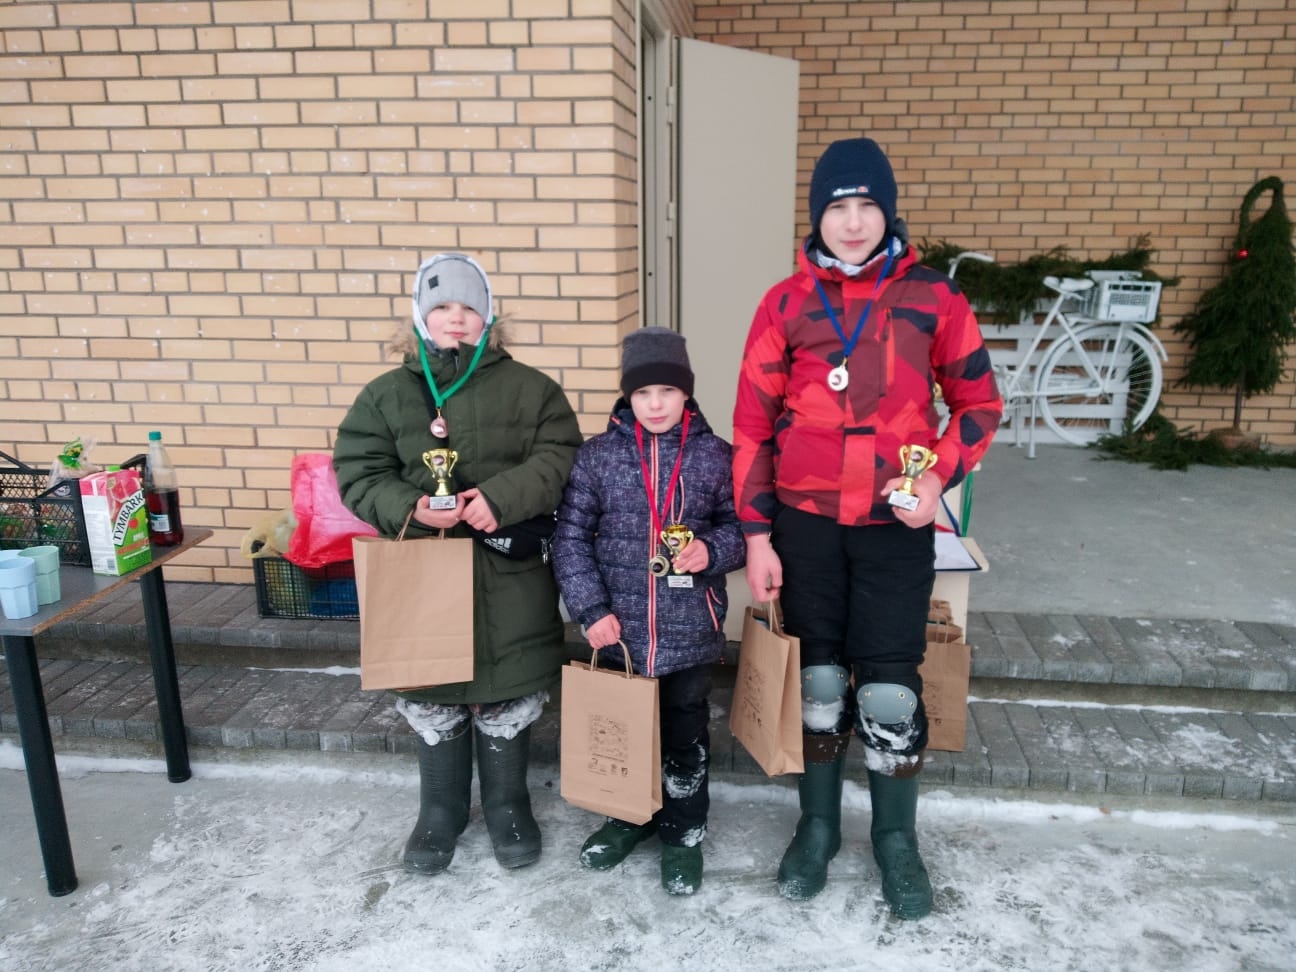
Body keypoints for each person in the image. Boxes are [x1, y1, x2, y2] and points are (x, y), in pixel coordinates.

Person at [731, 137, 1003, 919]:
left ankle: (895, 840)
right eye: (837, 208)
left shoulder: (933, 299)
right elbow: (753, 426)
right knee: (817, 683)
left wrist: (938, 476)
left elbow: (979, 404)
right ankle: (815, 826)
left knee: (888, 689)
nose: (852, 223)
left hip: (893, 525)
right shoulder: (785, 303)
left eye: (866, 206)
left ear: (888, 211)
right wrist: (755, 534)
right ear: (819, 216)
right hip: (805, 524)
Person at [333, 252, 582, 874]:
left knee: (507, 690)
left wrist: (500, 498)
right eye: (442, 306)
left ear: (488, 318)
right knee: (434, 693)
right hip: (423, 570)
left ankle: (508, 806)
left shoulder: (533, 390)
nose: (455, 318)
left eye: (469, 308)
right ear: (420, 316)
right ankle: (439, 810)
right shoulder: (386, 395)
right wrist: (409, 507)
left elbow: (561, 456)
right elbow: (358, 471)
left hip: (508, 573)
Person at [552, 326, 745, 896]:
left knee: (685, 735)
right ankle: (627, 817)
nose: (655, 404)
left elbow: (743, 527)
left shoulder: (715, 457)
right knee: (624, 734)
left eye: (666, 391)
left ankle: (683, 834)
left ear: (687, 393)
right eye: (642, 393)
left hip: (691, 630)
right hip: (619, 631)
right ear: (627, 397)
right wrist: (589, 609)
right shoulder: (598, 457)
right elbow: (570, 538)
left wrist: (713, 550)